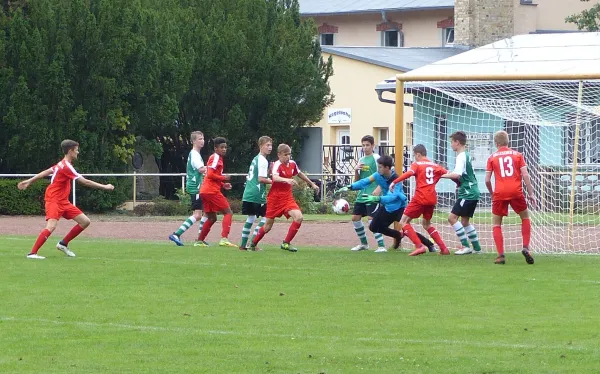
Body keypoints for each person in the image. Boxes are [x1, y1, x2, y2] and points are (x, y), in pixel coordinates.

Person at [17, 139, 114, 259]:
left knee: (85, 221)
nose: (78, 152)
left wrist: (29, 181)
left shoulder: (61, 164)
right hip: (54, 199)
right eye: (77, 150)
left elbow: (45, 172)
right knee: (51, 226)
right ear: (70, 151)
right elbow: (85, 181)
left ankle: (63, 244)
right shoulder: (66, 166)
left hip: (63, 201)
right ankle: (32, 253)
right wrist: (105, 186)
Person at [337, 155, 435, 252]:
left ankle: (429, 245)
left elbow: (392, 197)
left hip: (399, 208)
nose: (378, 169)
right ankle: (398, 235)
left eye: (380, 167)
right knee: (374, 227)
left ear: (387, 168)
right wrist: (350, 187)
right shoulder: (377, 175)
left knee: (407, 229)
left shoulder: (396, 179)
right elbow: (365, 182)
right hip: (387, 207)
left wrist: (376, 198)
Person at [249, 144, 319, 252]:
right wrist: (286, 180)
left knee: (299, 217)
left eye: (289, 154)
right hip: (275, 198)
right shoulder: (277, 165)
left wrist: (312, 184)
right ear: (279, 155)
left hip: (287, 198)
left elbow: (299, 174)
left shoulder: (292, 164)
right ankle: (253, 244)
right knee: (267, 226)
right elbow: (275, 177)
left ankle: (286, 243)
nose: (288, 157)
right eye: (285, 155)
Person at [485, 130, 535, 265]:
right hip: (516, 191)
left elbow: (487, 180)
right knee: (525, 217)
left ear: (496, 143)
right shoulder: (518, 155)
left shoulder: (492, 157)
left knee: (496, 224)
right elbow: (525, 175)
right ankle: (526, 247)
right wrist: (531, 193)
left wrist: (491, 193)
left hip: (499, 193)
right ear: (508, 142)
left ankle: (500, 255)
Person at [390, 144, 450, 256]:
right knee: (427, 224)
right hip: (432, 198)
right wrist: (459, 183)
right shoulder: (435, 166)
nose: (414, 158)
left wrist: (395, 182)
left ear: (418, 154)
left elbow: (409, 173)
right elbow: (450, 174)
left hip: (420, 197)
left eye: (414, 155)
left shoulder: (417, 164)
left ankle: (419, 246)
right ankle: (444, 249)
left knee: (403, 221)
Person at [443, 131, 483, 255]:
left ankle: (465, 246)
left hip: (468, 193)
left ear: (457, 142)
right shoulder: (466, 155)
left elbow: (458, 174)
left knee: (452, 218)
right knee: (465, 222)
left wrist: (441, 175)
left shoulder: (461, 156)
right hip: (472, 191)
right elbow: (461, 175)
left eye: (452, 142)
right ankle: (477, 249)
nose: (451, 145)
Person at [169, 131, 209, 246]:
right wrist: (213, 169)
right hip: (196, 187)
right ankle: (177, 234)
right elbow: (201, 169)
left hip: (198, 186)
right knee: (197, 214)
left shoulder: (196, 154)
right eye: (200, 139)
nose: (202, 141)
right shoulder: (195, 154)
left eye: (203, 138)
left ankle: (200, 239)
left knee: (205, 213)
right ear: (193, 141)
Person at [195, 137, 237, 247]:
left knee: (212, 218)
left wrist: (223, 185)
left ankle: (199, 241)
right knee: (228, 212)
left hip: (205, 191)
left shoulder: (217, 158)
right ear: (215, 148)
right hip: (211, 191)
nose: (224, 149)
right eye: (221, 147)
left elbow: (211, 177)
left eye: (225, 147)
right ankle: (224, 239)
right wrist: (224, 178)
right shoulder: (215, 157)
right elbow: (210, 174)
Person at [349, 135, 387, 252]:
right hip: (362, 193)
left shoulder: (376, 158)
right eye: (363, 145)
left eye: (367, 145)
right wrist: (356, 170)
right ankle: (364, 244)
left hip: (373, 193)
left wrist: (379, 188)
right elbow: (358, 181)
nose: (365, 147)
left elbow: (384, 174)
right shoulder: (361, 160)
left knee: (372, 218)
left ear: (373, 146)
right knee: (355, 218)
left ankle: (381, 246)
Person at [239, 136, 273, 250]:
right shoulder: (263, 160)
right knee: (266, 219)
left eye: (271, 145)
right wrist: (273, 181)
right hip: (257, 193)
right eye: (267, 145)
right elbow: (260, 179)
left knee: (251, 218)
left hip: (248, 192)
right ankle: (253, 243)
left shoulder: (256, 158)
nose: (270, 148)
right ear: (261, 146)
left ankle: (243, 245)